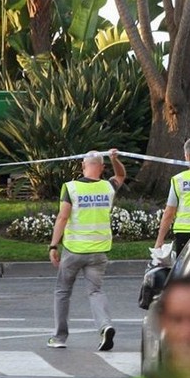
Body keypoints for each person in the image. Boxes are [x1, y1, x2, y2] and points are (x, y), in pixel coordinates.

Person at [47, 149, 126, 351]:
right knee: (95, 291)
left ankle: (59, 337)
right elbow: (121, 175)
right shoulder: (108, 187)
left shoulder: (71, 187)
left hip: (74, 250)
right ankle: (105, 326)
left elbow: (63, 217)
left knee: (63, 291)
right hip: (98, 252)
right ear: (102, 167)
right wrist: (114, 158)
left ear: (83, 166)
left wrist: (54, 245)